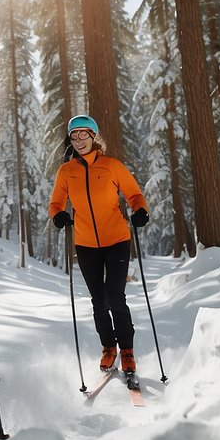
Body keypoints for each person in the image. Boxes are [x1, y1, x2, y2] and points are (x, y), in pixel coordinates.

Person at [47, 114, 150, 376]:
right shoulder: (66, 171)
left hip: (116, 240)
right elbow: (55, 203)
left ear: (93, 137)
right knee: (98, 301)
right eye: (74, 135)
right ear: (69, 139)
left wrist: (140, 210)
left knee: (116, 297)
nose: (79, 139)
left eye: (84, 134)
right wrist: (58, 215)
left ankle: (126, 350)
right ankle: (109, 347)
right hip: (85, 244)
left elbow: (135, 194)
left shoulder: (111, 166)